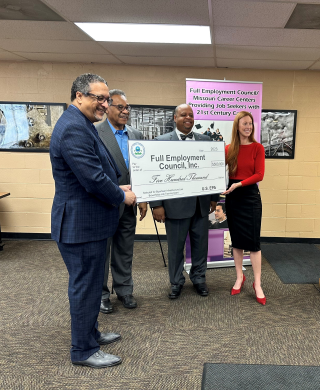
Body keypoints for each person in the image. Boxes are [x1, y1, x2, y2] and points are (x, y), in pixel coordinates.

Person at [50, 73, 136, 368]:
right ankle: (83, 350)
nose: (104, 104)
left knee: (89, 283)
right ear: (78, 96)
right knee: (85, 287)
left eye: (106, 99)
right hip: (80, 225)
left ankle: (91, 333)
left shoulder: (81, 124)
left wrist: (118, 185)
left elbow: (97, 172)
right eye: (98, 98)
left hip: (88, 223)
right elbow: (92, 179)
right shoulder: (74, 128)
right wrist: (121, 196)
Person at [150, 104, 219, 299]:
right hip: (174, 207)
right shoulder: (161, 142)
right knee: (175, 248)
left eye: (191, 115)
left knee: (200, 246)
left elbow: (213, 171)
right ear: (174, 118)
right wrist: (157, 204)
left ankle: (199, 278)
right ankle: (176, 281)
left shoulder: (206, 141)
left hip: (201, 205)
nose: (188, 117)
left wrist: (214, 198)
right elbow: (154, 173)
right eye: (183, 115)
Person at [96, 89, 147, 313]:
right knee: (102, 253)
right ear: (107, 107)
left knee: (125, 250)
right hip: (104, 204)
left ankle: (125, 290)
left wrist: (143, 199)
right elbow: (93, 171)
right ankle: (101, 294)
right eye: (121, 107)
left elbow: (142, 170)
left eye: (128, 108)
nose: (126, 111)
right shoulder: (94, 132)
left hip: (130, 204)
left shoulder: (136, 135)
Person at [222, 111, 266, 305]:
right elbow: (213, 170)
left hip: (250, 197)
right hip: (233, 198)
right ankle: (240, 276)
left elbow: (259, 175)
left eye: (250, 123)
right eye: (244, 124)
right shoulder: (228, 149)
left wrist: (239, 184)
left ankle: (258, 283)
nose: (248, 127)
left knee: (254, 243)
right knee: (237, 241)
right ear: (237, 127)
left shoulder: (258, 148)